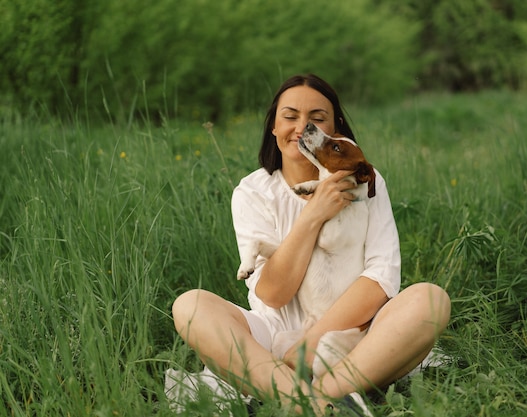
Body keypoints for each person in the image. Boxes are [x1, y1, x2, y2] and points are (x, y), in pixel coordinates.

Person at [171, 74, 451, 415]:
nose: (302, 127)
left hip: (351, 336)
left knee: (430, 299)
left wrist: (311, 344)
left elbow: (382, 278)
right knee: (190, 305)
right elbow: (273, 294)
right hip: (273, 340)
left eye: (317, 119)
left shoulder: (366, 182)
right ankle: (314, 402)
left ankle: (310, 397)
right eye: (290, 117)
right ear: (274, 126)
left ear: (335, 129)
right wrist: (313, 215)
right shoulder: (253, 192)